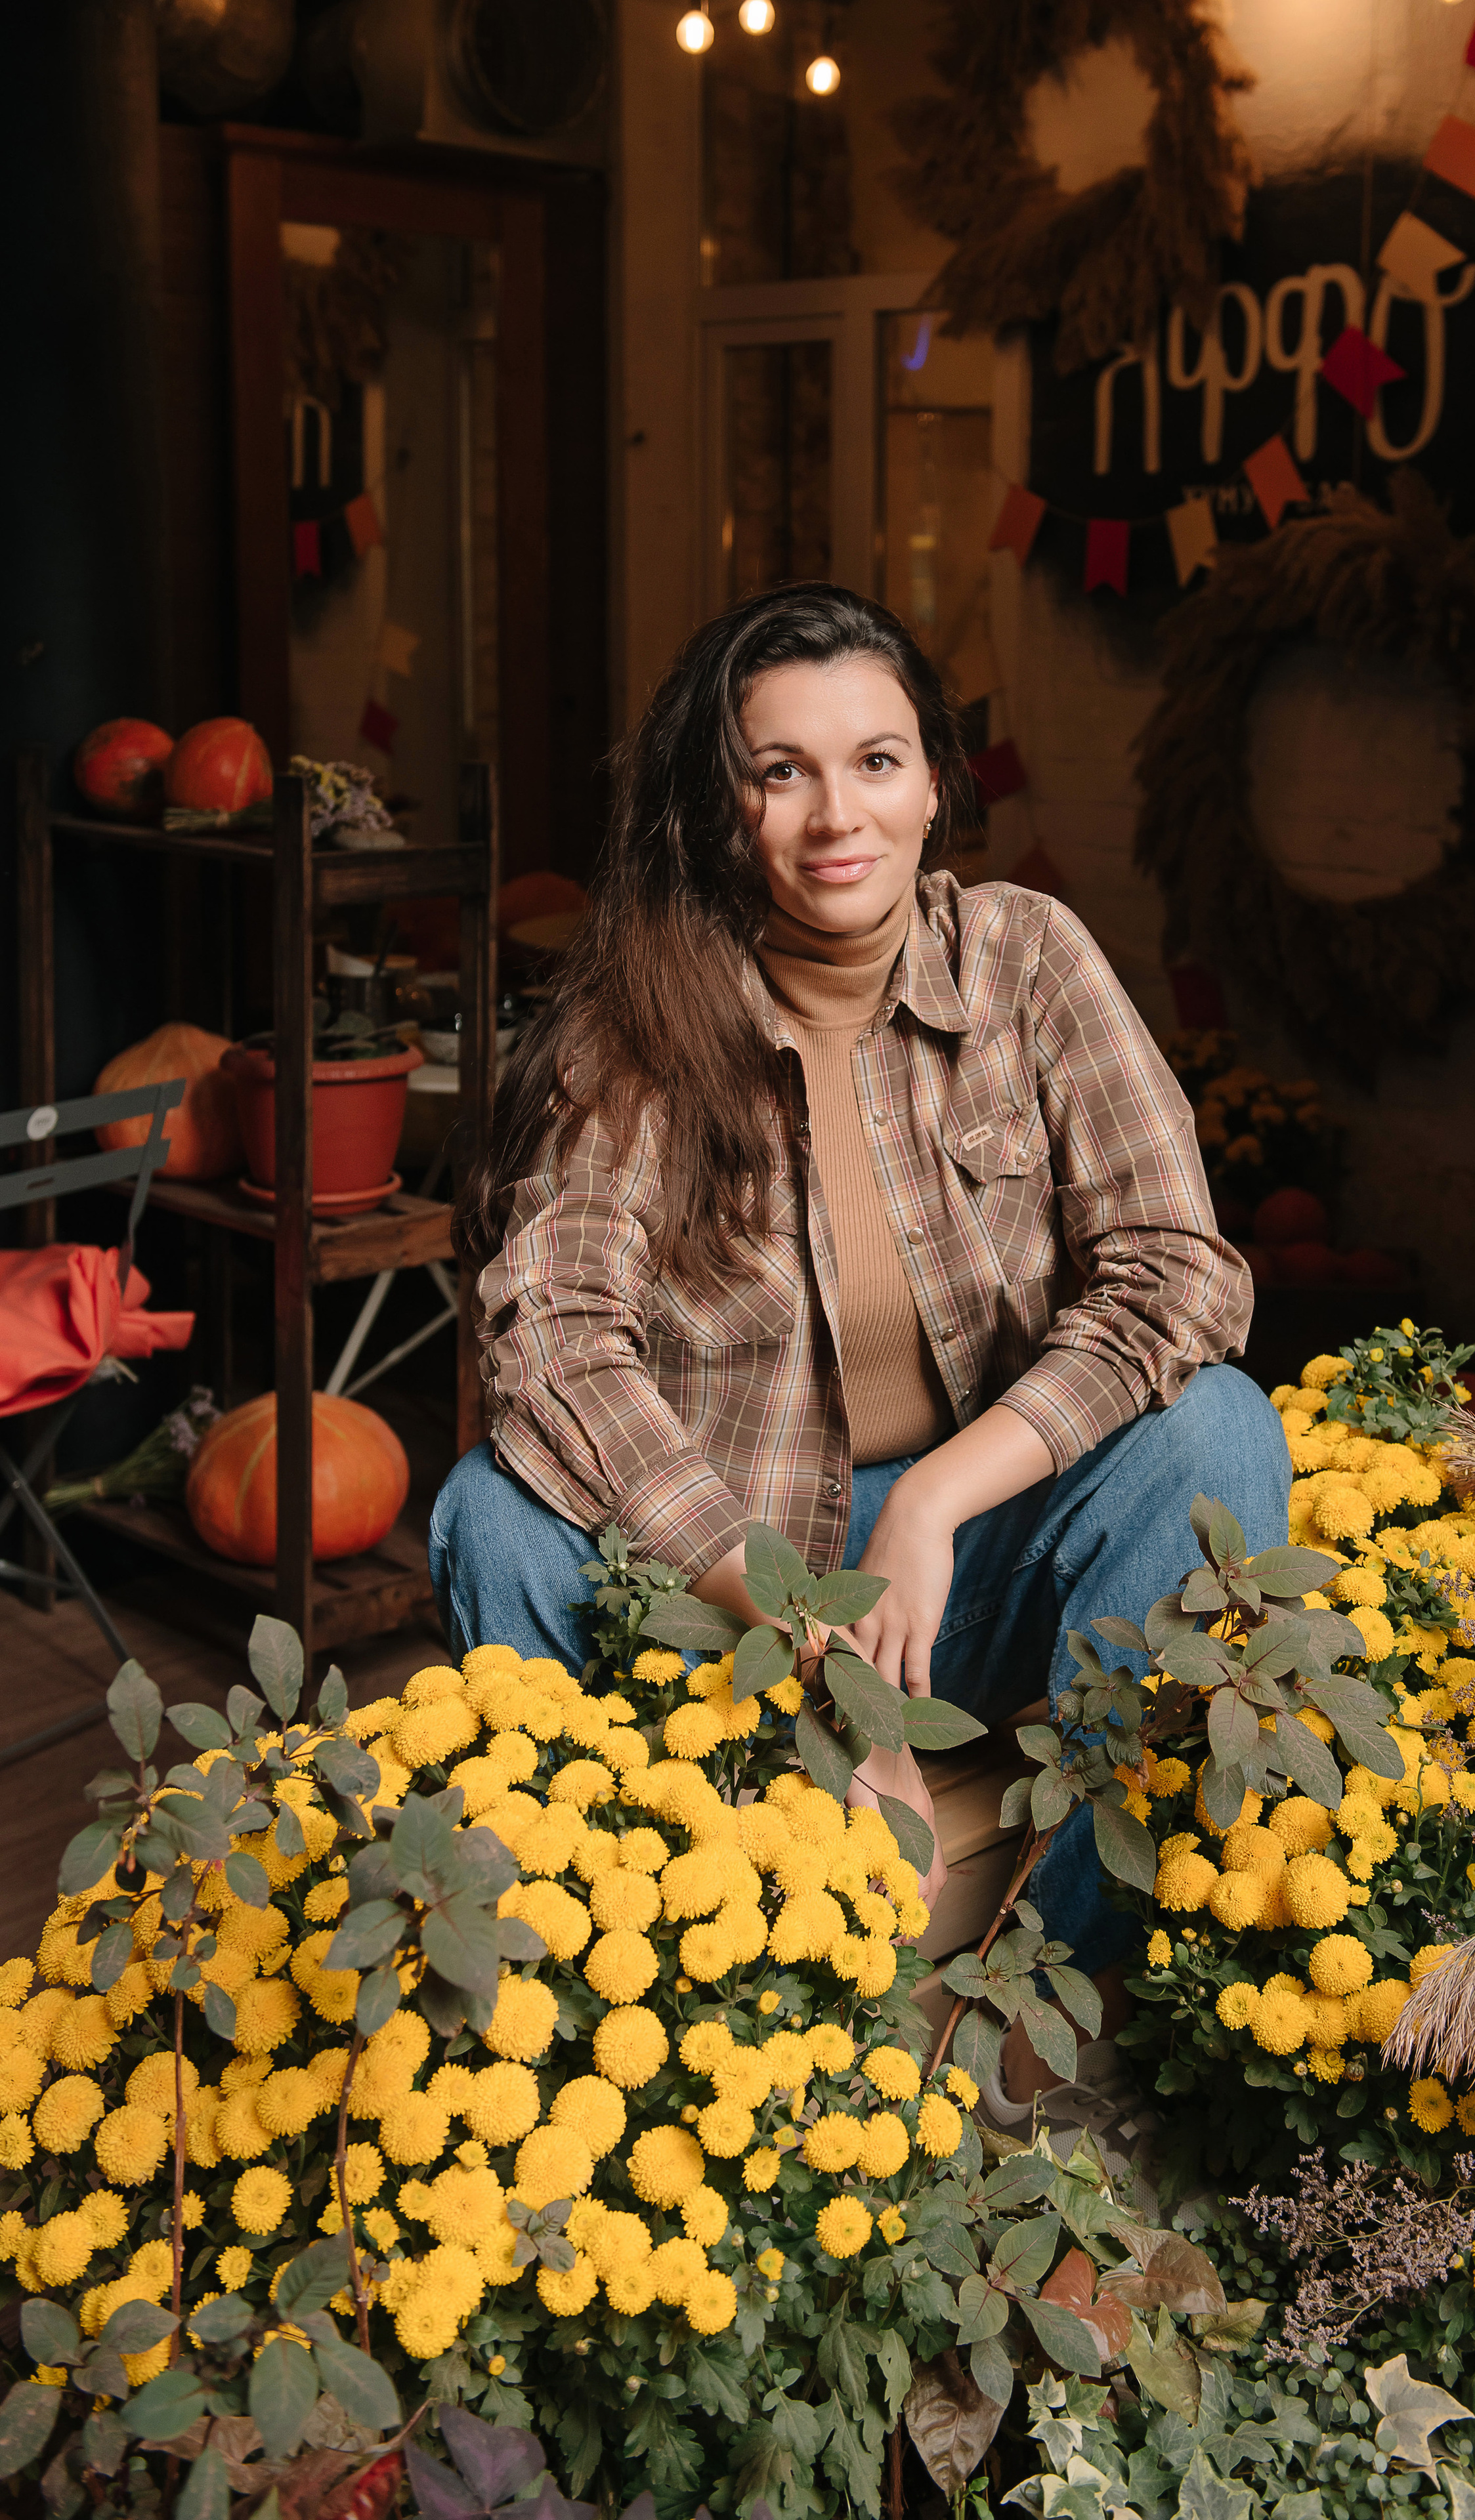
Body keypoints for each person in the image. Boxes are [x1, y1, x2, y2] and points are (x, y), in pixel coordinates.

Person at [436, 581, 1291, 2111]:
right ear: (721, 803)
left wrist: (945, 1501)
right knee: (489, 1516)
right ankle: (605, 2014)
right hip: (734, 1588)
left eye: (877, 760)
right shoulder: (634, 1027)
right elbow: (554, 1343)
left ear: (934, 781)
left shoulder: (1027, 962)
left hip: (976, 1567)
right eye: (784, 770)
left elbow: (1175, 1274)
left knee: (1217, 1434)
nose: (841, 813)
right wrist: (813, 1656)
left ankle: (1047, 1988)